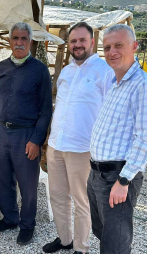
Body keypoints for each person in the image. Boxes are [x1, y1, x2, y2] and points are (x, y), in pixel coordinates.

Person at [43, 22, 114, 254]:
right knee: (58, 196)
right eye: (73, 41)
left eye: (82, 40)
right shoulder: (66, 71)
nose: (77, 45)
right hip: (56, 145)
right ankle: (65, 240)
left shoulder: (104, 72)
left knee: (81, 200)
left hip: (82, 148)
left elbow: (110, 112)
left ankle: (81, 248)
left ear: (92, 42)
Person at [88, 24, 147, 254]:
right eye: (107, 47)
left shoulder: (144, 85)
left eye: (119, 45)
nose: (112, 52)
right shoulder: (114, 83)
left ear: (134, 46)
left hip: (117, 177)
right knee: (103, 233)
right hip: (98, 174)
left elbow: (145, 140)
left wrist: (124, 181)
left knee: (115, 245)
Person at [0, 22, 52, 245]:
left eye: (24, 38)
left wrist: (37, 140)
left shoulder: (40, 70)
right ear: (9, 41)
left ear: (30, 42)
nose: (19, 42)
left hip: (26, 135)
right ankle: (10, 218)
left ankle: (27, 224)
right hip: (1, 131)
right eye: (15, 38)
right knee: (3, 179)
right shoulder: (1, 68)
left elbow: (46, 110)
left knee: (27, 184)